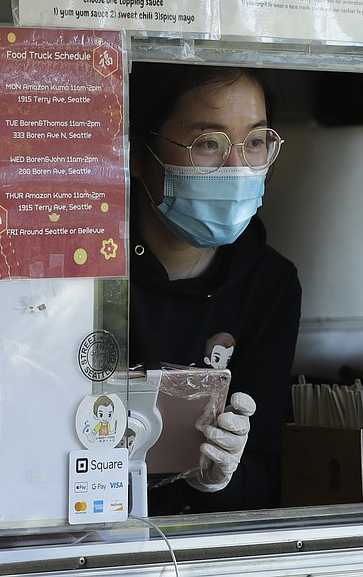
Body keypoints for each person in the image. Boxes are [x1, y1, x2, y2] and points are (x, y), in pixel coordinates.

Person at [128, 61, 301, 514]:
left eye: (255, 142)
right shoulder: (84, 266)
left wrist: (218, 481)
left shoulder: (270, 284)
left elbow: (262, 477)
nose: (237, 168)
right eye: (208, 143)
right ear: (137, 153)